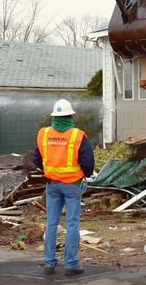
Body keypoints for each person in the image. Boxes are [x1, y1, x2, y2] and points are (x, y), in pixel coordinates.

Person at [34, 99, 94, 276]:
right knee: (72, 223)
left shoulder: (44, 134)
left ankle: (49, 264)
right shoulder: (78, 136)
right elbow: (88, 163)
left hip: (52, 185)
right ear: (70, 115)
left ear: (54, 116)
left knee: (51, 224)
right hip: (72, 185)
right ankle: (71, 264)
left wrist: (49, 171)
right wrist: (86, 174)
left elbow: (37, 159)